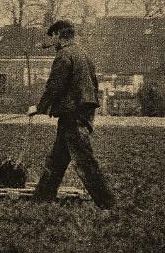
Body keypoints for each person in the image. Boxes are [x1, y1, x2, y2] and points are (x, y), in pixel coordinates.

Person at [27, 20, 115, 209]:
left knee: (84, 162)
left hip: (72, 115)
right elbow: (93, 86)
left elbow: (55, 86)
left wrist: (39, 107)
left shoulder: (64, 55)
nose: (51, 40)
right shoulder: (83, 54)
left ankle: (108, 204)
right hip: (81, 113)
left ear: (59, 35)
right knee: (57, 160)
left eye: (52, 36)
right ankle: (41, 200)